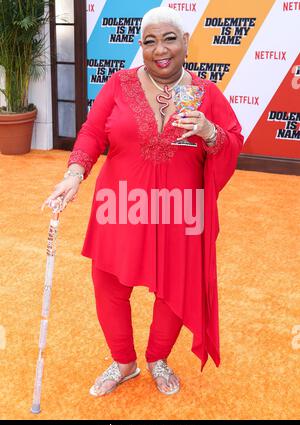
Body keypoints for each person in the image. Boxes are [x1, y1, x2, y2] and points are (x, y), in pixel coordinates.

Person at [42, 6, 243, 396]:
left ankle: (157, 357)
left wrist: (209, 130)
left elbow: (232, 142)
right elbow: (91, 133)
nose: (160, 49)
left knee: (173, 286)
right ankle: (124, 362)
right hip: (121, 205)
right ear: (141, 47)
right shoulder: (119, 84)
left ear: (185, 43)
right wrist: (74, 173)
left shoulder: (206, 94)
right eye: (149, 41)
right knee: (109, 282)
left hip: (180, 211)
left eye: (169, 38)